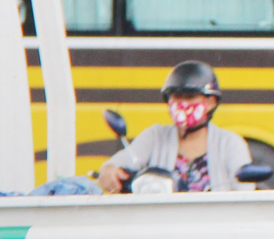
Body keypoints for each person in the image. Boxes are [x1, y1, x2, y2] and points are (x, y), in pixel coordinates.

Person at [97, 61, 258, 193]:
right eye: (176, 97)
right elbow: (122, 161)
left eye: (190, 97)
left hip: (214, 226)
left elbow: (244, 192)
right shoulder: (155, 136)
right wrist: (110, 170)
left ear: (211, 102)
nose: (183, 103)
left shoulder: (231, 143)